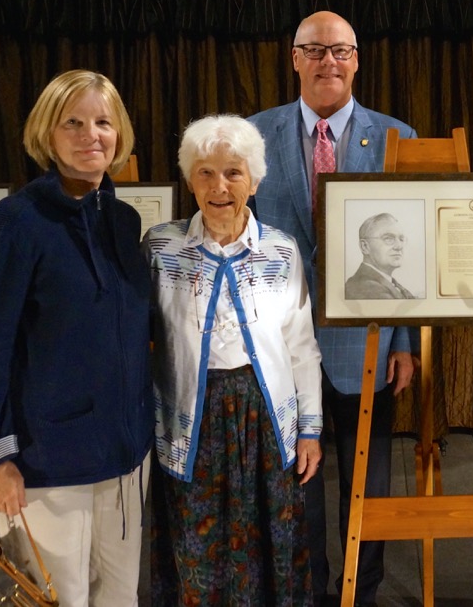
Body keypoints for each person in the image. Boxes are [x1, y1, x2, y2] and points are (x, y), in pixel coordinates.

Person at [0, 69, 152, 606]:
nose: (92, 134)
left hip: (125, 457)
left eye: (103, 122)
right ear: (48, 133)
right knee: (56, 599)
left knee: (119, 599)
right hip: (46, 463)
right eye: (74, 122)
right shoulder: (15, 223)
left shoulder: (122, 220)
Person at [247, 10, 416, 607]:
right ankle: (311, 591)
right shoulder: (250, 135)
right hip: (280, 343)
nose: (328, 62)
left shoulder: (398, 137)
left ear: (357, 59)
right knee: (300, 479)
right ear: (294, 58)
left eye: (340, 50)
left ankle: (360, 593)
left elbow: (414, 255)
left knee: (369, 482)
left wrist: (404, 343)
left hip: (368, 342)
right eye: (315, 50)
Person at [145, 114, 322, 604]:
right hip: (191, 418)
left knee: (271, 538)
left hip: (264, 416)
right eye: (205, 172)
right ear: (189, 179)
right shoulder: (161, 247)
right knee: (197, 544)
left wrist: (309, 430)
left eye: (233, 173)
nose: (219, 186)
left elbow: (302, 346)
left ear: (255, 180)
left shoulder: (281, 252)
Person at [345, 212, 415, 299]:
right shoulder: (366, 288)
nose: (399, 246)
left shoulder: (388, 283)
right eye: (388, 238)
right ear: (365, 246)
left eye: (401, 239)